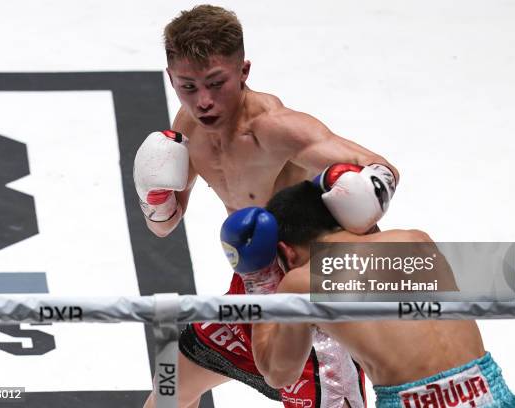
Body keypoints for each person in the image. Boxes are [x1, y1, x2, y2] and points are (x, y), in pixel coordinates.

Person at [136, 5, 403, 407]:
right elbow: (163, 225)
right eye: (188, 87)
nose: (203, 101)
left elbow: (382, 171)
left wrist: (351, 197)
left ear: (243, 71)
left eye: (216, 83)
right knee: (171, 386)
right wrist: (155, 199)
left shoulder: (277, 129)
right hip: (250, 287)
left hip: (309, 313)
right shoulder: (188, 126)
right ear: (172, 79)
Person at [238, 181, 515, 408]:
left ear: (285, 251)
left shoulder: (303, 282)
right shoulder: (415, 240)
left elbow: (278, 374)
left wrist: (261, 281)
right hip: (490, 390)